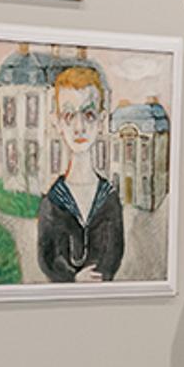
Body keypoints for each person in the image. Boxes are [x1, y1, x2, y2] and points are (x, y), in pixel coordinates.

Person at [36, 65, 125, 283]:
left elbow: (114, 253)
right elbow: (47, 259)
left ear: (102, 121)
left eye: (89, 114)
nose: (79, 127)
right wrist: (73, 278)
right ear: (56, 122)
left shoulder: (109, 198)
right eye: (69, 115)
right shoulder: (52, 202)